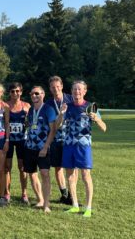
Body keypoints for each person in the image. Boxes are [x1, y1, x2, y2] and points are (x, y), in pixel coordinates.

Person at [57, 80, 106, 218]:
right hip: (68, 145)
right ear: (71, 91)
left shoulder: (90, 107)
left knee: (85, 175)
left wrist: (96, 119)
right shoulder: (67, 106)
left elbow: (104, 128)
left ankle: (88, 207)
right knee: (71, 176)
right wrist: (61, 114)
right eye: (74, 89)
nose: (76, 92)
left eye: (79, 89)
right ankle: (75, 206)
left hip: (83, 146)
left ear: (84, 91)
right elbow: (57, 125)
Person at [23, 86, 56, 213]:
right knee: (32, 174)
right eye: (32, 94)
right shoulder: (31, 110)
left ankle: (46, 204)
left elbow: (52, 130)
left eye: (37, 93)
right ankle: (40, 200)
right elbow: (31, 125)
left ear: (43, 94)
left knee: (45, 174)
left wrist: (46, 147)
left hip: (43, 148)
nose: (34, 96)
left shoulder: (49, 109)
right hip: (30, 147)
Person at [46, 76, 73, 204]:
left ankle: (72, 196)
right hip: (56, 139)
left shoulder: (71, 99)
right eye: (53, 87)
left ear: (61, 86)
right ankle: (64, 194)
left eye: (57, 86)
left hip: (70, 139)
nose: (56, 89)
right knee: (58, 168)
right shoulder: (49, 104)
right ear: (50, 89)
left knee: (71, 168)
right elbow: (52, 125)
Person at [5, 82, 31, 204]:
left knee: (22, 167)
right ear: (9, 93)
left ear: (21, 92)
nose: (15, 93)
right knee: (7, 167)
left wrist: (28, 123)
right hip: (8, 140)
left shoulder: (26, 106)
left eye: (17, 91)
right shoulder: (5, 106)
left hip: (22, 140)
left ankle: (24, 193)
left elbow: (32, 122)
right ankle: (7, 193)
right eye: (12, 91)